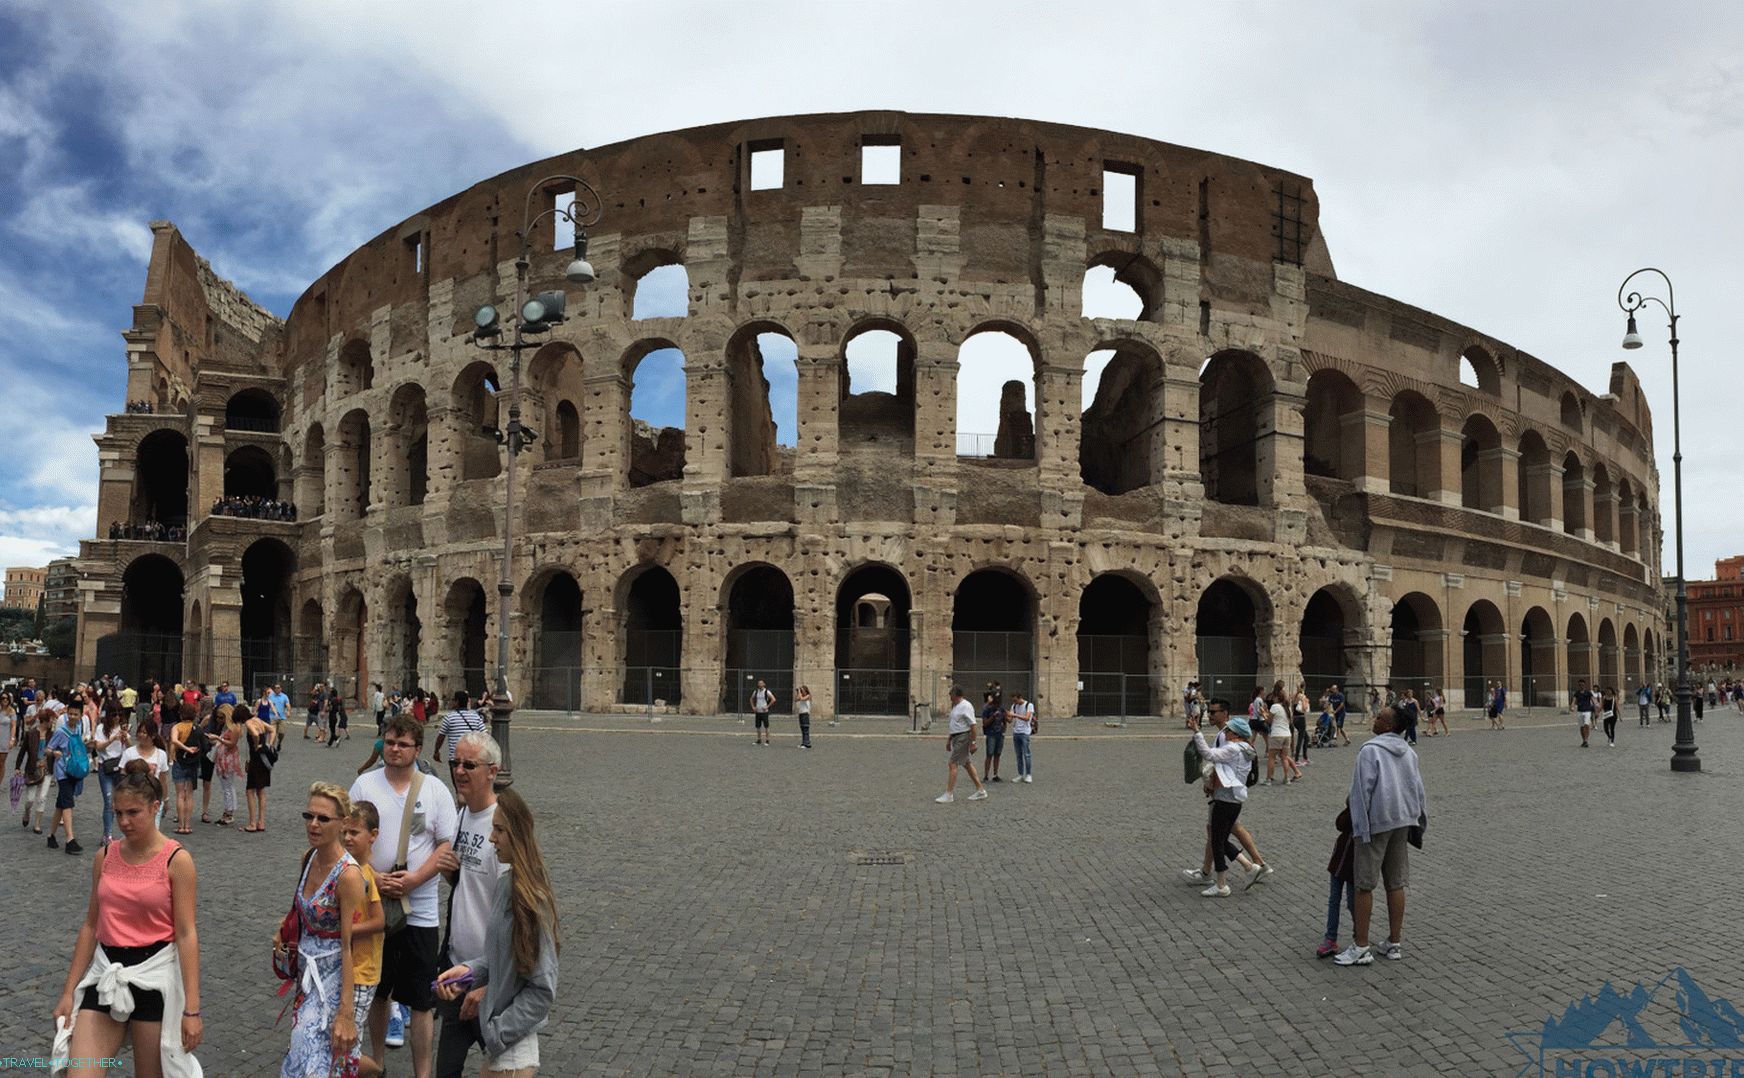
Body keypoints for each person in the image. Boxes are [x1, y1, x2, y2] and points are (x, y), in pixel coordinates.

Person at [53, 763, 203, 1077]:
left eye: (133, 813)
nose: (124, 821)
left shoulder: (178, 861)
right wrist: (68, 992)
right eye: (118, 812)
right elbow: (91, 925)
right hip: (106, 971)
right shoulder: (105, 856)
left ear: (155, 807)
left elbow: (187, 934)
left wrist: (192, 1008)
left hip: (153, 975)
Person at [349, 714, 458, 1078]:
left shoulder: (434, 790)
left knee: (422, 1000)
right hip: (374, 903)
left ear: (417, 749)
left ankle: (422, 1074)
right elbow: (347, 839)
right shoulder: (364, 784)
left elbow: (446, 848)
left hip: (421, 908)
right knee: (379, 992)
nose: (395, 749)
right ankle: (377, 1063)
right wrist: (375, 879)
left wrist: (413, 880)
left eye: (403, 744)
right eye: (390, 742)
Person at [435, 788, 559, 1077]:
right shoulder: (507, 885)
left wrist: (496, 1031)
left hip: (513, 1052)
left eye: (499, 830)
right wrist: (465, 973)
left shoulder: (530, 899)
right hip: (503, 1050)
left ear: (517, 833)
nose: (492, 838)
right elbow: (501, 958)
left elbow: (542, 990)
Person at [432, 732, 509, 1077]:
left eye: (469, 764)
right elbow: (471, 889)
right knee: (446, 1070)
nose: (459, 771)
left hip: (488, 980)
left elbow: (515, 913)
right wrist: (452, 876)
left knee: (506, 1068)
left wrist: (488, 983)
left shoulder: (503, 827)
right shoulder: (462, 815)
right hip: (456, 970)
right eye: (455, 763)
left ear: (492, 771)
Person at [279, 782, 364, 1077]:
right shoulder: (309, 858)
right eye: (309, 816)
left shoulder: (349, 876)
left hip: (333, 983)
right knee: (302, 1052)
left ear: (343, 823)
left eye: (323, 818)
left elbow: (350, 946)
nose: (313, 824)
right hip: (306, 979)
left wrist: (346, 1011)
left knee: (320, 1062)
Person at [1335, 706, 1428, 966]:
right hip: (1402, 820)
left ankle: (1361, 946)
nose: (1375, 719)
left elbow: (1361, 791)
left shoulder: (1370, 750)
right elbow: (1418, 790)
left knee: (1365, 883)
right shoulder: (1409, 752)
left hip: (1375, 823)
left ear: (1388, 727)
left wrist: (1360, 828)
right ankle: (1394, 942)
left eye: (1380, 718)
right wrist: (1418, 823)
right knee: (1396, 882)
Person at [1187, 713, 1256, 897]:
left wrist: (1197, 732)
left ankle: (1221, 885)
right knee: (1221, 839)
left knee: (1217, 842)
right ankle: (1249, 867)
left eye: (1228, 730)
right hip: (1235, 800)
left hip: (1224, 800)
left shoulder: (1233, 749)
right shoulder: (1246, 749)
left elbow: (1208, 754)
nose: (1225, 733)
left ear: (1236, 734)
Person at [344, 802, 387, 1078]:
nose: (347, 838)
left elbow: (379, 922)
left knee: (348, 1047)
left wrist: (346, 930)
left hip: (363, 971)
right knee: (343, 1042)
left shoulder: (368, 877)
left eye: (354, 833)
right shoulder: (344, 871)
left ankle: (377, 1072)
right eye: (344, 831)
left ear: (372, 835)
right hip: (345, 968)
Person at [44, 702, 91, 854]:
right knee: (68, 804)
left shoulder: (77, 729)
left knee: (61, 804)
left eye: (75, 714)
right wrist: (54, 753)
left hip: (74, 770)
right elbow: (48, 748)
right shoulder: (60, 731)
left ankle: (51, 836)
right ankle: (70, 839)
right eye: (70, 713)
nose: (72, 716)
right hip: (63, 772)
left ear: (80, 716)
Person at [1315, 802, 1357, 959]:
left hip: (1355, 863)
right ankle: (1330, 938)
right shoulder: (1350, 811)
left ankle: (1359, 935)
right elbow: (1340, 823)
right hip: (1339, 860)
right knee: (1334, 900)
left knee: (1353, 902)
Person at [934, 686, 988, 804]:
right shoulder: (956, 706)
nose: (950, 698)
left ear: (956, 695)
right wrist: (949, 740)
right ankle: (980, 790)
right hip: (956, 737)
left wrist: (973, 743)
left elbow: (973, 726)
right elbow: (954, 724)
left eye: (951, 696)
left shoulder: (966, 706)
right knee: (966, 763)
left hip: (963, 737)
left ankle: (949, 794)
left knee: (952, 763)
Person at [434, 692, 487, 788]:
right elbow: (485, 736)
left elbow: (441, 736)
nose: (452, 702)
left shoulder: (449, 718)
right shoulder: (476, 717)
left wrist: (436, 751)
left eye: (453, 700)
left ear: (457, 701)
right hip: (472, 757)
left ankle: (461, 802)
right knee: (471, 785)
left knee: (459, 787)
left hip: (455, 758)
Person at [94, 706, 130, 844]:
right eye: (114, 714)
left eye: (119, 714)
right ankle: (107, 834)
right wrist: (113, 739)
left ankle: (122, 833)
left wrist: (125, 737)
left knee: (121, 802)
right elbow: (98, 747)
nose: (117, 717)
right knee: (109, 802)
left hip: (120, 768)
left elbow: (130, 747)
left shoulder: (122, 728)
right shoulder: (101, 728)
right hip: (106, 767)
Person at [16, 708, 54, 833]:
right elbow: (22, 752)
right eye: (51, 720)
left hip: (47, 770)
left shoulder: (52, 734)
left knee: (42, 797)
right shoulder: (31, 733)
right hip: (32, 770)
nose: (52, 722)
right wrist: (17, 767)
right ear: (45, 721)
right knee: (30, 800)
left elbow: (57, 751)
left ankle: (37, 824)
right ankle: (27, 811)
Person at [244, 699, 279, 833]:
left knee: (250, 791)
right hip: (264, 759)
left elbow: (255, 733)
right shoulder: (258, 720)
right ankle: (261, 822)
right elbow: (272, 729)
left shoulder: (249, 722)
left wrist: (256, 744)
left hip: (256, 759)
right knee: (261, 791)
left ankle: (252, 823)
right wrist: (269, 744)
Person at [207, 704, 243, 827]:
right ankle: (229, 810)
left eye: (221, 717)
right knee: (227, 787)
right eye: (218, 717)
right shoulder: (227, 727)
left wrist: (218, 738)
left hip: (227, 760)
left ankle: (229, 812)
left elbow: (232, 743)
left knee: (227, 787)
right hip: (224, 758)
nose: (219, 720)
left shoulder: (233, 728)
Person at [166, 703, 199, 835]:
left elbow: (174, 741)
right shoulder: (196, 727)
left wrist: (185, 749)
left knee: (180, 795)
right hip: (192, 762)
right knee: (189, 795)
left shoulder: (177, 727)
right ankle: (188, 825)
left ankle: (180, 825)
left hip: (179, 760)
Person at [1264, 691, 1302, 785]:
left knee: (1271, 757)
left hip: (1277, 734)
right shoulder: (1287, 708)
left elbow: (1269, 721)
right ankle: (1286, 778)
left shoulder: (1275, 707)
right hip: (1287, 734)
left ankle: (1268, 779)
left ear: (1277, 698)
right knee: (1284, 758)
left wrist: (1263, 713)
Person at [1008, 690, 1035, 783]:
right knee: (1018, 755)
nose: (1014, 703)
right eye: (1013, 701)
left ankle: (1028, 774)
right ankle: (1020, 774)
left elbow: (1027, 718)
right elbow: (1010, 720)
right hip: (1016, 732)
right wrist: (1007, 715)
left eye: (1015, 700)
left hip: (1025, 732)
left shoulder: (1029, 705)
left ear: (1020, 698)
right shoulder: (1014, 706)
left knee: (1026, 754)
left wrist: (1014, 714)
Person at [981, 692, 1007, 782]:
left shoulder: (1002, 709)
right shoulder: (987, 709)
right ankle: (986, 775)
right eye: (995, 703)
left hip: (999, 734)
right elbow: (985, 723)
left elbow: (1005, 720)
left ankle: (995, 774)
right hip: (991, 734)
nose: (997, 705)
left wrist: (1003, 731)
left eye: (998, 703)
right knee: (989, 754)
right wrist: (993, 716)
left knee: (997, 754)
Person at [749, 679, 774, 746]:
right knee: (758, 726)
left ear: (763, 684)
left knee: (766, 726)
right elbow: (751, 699)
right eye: (758, 684)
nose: (759, 685)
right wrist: (753, 707)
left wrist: (767, 706)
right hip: (758, 711)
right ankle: (759, 739)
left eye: (761, 683)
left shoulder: (766, 692)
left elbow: (773, 699)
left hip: (764, 712)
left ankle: (767, 740)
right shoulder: (756, 691)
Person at [1573, 679, 1595, 748]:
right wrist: (1572, 706)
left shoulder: (1588, 692)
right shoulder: (1577, 693)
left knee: (1586, 725)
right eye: (1580, 685)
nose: (1581, 686)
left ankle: (1586, 740)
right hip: (1580, 711)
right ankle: (1583, 740)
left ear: (1584, 685)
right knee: (1582, 727)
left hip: (1587, 711)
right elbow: (1574, 700)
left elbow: (1593, 699)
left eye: (1582, 685)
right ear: (1578, 685)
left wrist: (1596, 707)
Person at [793, 685, 813, 749]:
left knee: (805, 729)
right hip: (801, 714)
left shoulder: (808, 696)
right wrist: (797, 693)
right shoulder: (802, 695)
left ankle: (807, 743)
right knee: (802, 729)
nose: (801, 692)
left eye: (802, 690)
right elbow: (796, 700)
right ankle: (804, 743)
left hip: (805, 714)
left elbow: (802, 699)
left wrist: (799, 692)